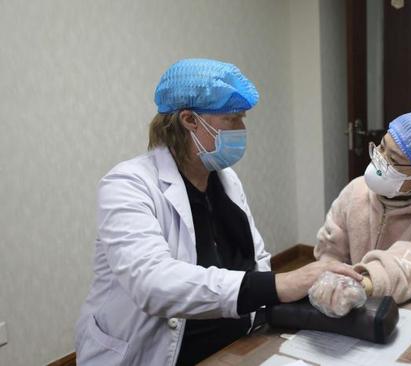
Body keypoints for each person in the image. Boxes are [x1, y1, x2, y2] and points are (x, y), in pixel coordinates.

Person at [74, 58, 362, 366]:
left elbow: (256, 260)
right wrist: (283, 284)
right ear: (189, 120)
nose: (242, 129)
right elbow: (153, 284)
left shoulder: (225, 178)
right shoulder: (128, 184)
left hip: (236, 345)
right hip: (155, 354)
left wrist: (307, 294)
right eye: (233, 119)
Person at [309, 112, 411, 317]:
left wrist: (360, 284)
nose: (379, 160)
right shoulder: (355, 191)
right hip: (363, 306)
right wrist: (327, 277)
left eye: (392, 159)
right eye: (382, 147)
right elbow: (331, 246)